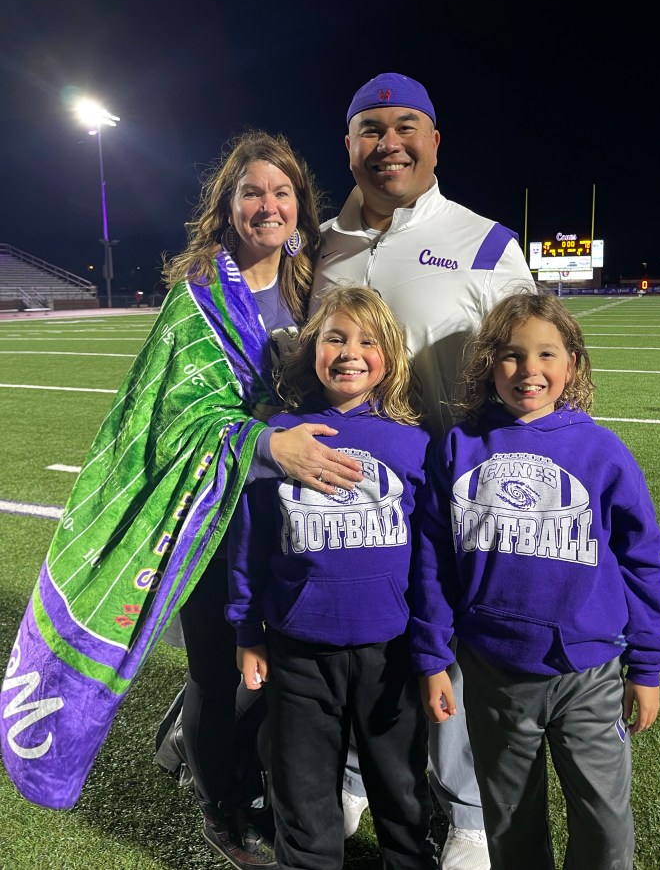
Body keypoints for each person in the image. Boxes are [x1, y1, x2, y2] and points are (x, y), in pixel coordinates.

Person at [0, 129, 362, 870]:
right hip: (211, 516)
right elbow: (171, 418)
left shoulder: (314, 287)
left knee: (286, 662)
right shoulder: (197, 297)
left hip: (293, 518)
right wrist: (266, 446)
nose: (268, 205)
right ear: (228, 205)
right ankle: (221, 804)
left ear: (301, 206)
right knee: (216, 670)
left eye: (283, 192)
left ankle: (241, 770)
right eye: (252, 192)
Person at [310, 71, 536, 870]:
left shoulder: (486, 243)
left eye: (407, 126)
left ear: (435, 140)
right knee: (356, 633)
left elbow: (533, 367)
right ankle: (352, 773)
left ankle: (467, 810)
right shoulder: (319, 247)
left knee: (456, 647)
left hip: (453, 491)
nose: (389, 143)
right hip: (351, 489)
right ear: (348, 145)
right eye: (371, 129)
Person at [410, 290, 660, 869]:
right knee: (511, 824)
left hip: (589, 672)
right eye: (511, 355)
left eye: (546, 354)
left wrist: (647, 665)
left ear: (572, 364)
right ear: (489, 365)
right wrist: (432, 657)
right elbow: (432, 560)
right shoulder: (460, 447)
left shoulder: (602, 450)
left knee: (605, 824)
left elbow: (642, 561)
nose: (528, 369)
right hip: (493, 671)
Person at [226, 284, 439, 870]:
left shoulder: (413, 443)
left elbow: (430, 560)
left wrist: (432, 651)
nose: (350, 353)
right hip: (298, 648)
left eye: (368, 341)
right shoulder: (281, 436)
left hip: (390, 650)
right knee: (302, 787)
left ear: (390, 356)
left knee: (400, 785)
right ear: (312, 349)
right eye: (335, 338)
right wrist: (247, 631)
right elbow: (250, 544)